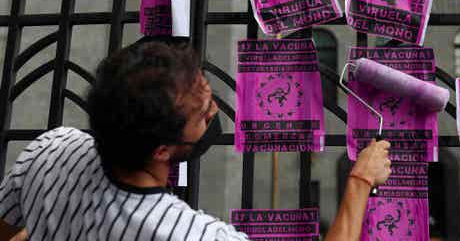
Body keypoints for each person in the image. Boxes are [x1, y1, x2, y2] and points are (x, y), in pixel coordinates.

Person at [0, 41, 391, 240]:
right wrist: (359, 181)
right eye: (204, 115)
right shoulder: (188, 233)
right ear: (162, 150)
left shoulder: (50, 149)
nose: (216, 112)